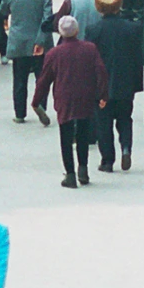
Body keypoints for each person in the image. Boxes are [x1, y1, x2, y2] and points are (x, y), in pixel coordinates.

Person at [32, 15, 106, 188]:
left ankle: (70, 174)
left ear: (60, 32)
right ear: (77, 30)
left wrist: (36, 101)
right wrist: (103, 94)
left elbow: (44, 80)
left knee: (65, 136)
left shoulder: (54, 54)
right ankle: (83, 169)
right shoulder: (90, 48)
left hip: (64, 97)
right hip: (86, 96)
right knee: (83, 133)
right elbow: (101, 72)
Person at [92, 0, 142, 172]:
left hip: (102, 85)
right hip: (125, 81)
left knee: (103, 123)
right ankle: (126, 148)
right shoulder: (133, 28)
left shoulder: (94, 30)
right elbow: (138, 57)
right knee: (125, 118)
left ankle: (107, 160)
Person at [0, 0, 53, 123]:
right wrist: (41, 40)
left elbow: (3, 10)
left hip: (19, 39)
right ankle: (40, 105)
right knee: (41, 77)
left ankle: (19, 113)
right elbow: (47, 17)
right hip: (39, 39)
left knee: (19, 78)